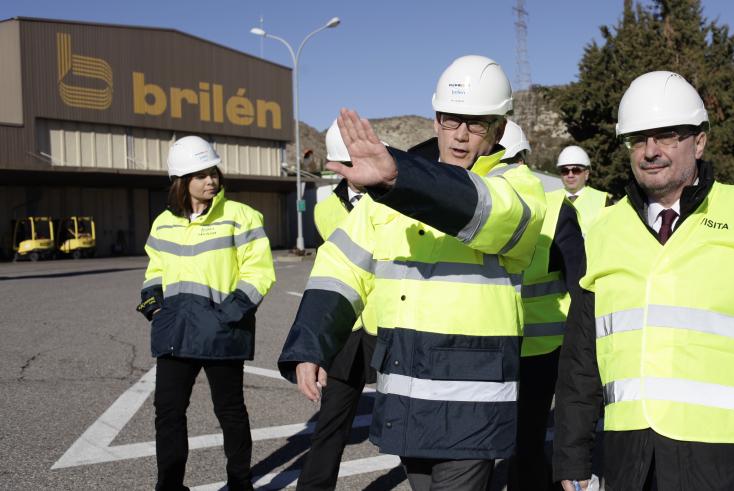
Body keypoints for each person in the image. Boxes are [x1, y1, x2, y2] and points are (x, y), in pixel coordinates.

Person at [278, 55, 546, 490]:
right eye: (450, 119)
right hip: (407, 395)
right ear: (436, 119)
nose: (460, 134)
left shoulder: (517, 188)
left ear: (497, 130)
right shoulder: (388, 197)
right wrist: (311, 344)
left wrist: (398, 180)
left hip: (470, 405)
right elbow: (341, 268)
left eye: (476, 123)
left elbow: (478, 207)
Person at [553, 71, 734, 491]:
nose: (650, 151)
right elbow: (581, 357)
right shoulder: (606, 231)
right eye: (638, 139)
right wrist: (571, 456)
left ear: (699, 142)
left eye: (666, 136)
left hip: (727, 458)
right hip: (632, 459)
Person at [137, 135, 276, 491]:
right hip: (175, 332)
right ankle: (169, 486)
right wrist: (153, 306)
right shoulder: (163, 223)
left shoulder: (240, 217)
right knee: (167, 413)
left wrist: (228, 315)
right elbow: (155, 269)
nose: (210, 180)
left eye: (212, 172)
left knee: (230, 413)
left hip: (220, 333)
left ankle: (240, 483)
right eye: (200, 175)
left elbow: (259, 272)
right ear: (181, 181)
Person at [499, 122, 585, 491]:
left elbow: (580, 283)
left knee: (527, 439)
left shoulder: (553, 209)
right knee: (511, 439)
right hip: (497, 346)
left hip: (541, 349)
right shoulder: (473, 209)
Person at [294, 120, 377, 490]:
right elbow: (329, 277)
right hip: (346, 330)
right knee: (330, 425)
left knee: (410, 422)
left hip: (386, 326)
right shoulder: (324, 211)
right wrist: (319, 347)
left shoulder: (395, 200)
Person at [553, 145, 609, 229]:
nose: (570, 175)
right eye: (565, 171)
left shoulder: (603, 199)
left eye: (576, 170)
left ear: (586, 174)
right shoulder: (550, 199)